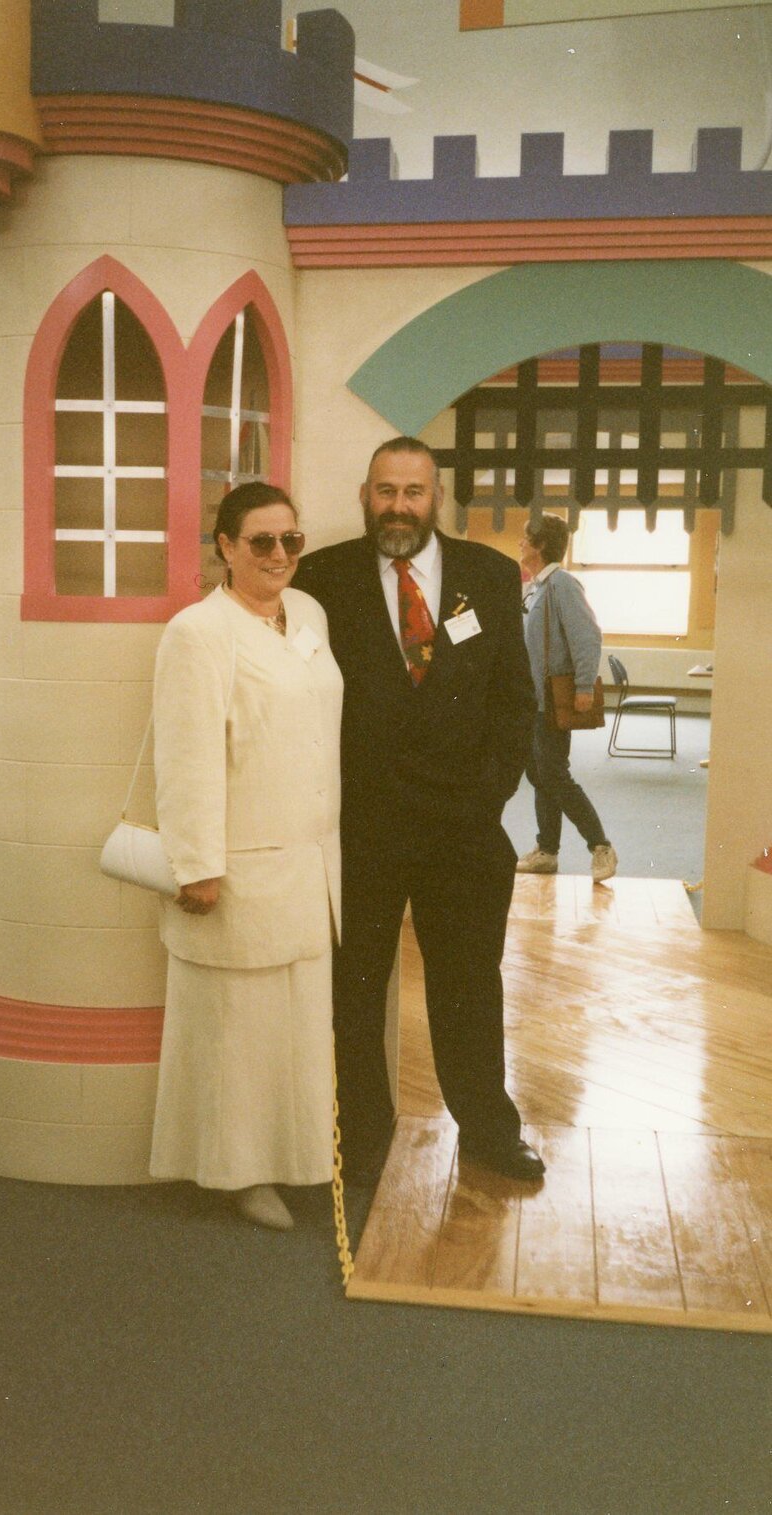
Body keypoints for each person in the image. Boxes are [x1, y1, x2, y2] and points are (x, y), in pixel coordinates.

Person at [293, 436, 543, 1185]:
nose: (398, 505)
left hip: (463, 828)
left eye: (413, 491)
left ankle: (489, 1129)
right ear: (364, 496)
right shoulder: (320, 580)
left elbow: (514, 699)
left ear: (437, 497)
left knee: (469, 983)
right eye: (384, 490)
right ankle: (361, 1134)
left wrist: (487, 792)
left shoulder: (491, 577)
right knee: (355, 987)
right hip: (361, 828)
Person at [149, 482, 343, 1231]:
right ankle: (237, 1173)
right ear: (225, 546)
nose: (279, 555)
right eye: (261, 541)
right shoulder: (198, 632)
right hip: (237, 864)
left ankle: (292, 1161)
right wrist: (196, 861)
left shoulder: (311, 617)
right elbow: (185, 753)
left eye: (291, 540)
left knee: (294, 1028)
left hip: (308, 862)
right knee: (236, 1030)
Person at [516, 513, 618, 884]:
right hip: (535, 701)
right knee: (540, 774)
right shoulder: (536, 587)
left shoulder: (561, 585)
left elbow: (587, 636)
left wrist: (584, 688)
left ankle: (601, 846)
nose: (521, 543)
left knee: (554, 775)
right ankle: (547, 851)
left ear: (541, 545)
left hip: (553, 700)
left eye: (526, 538)